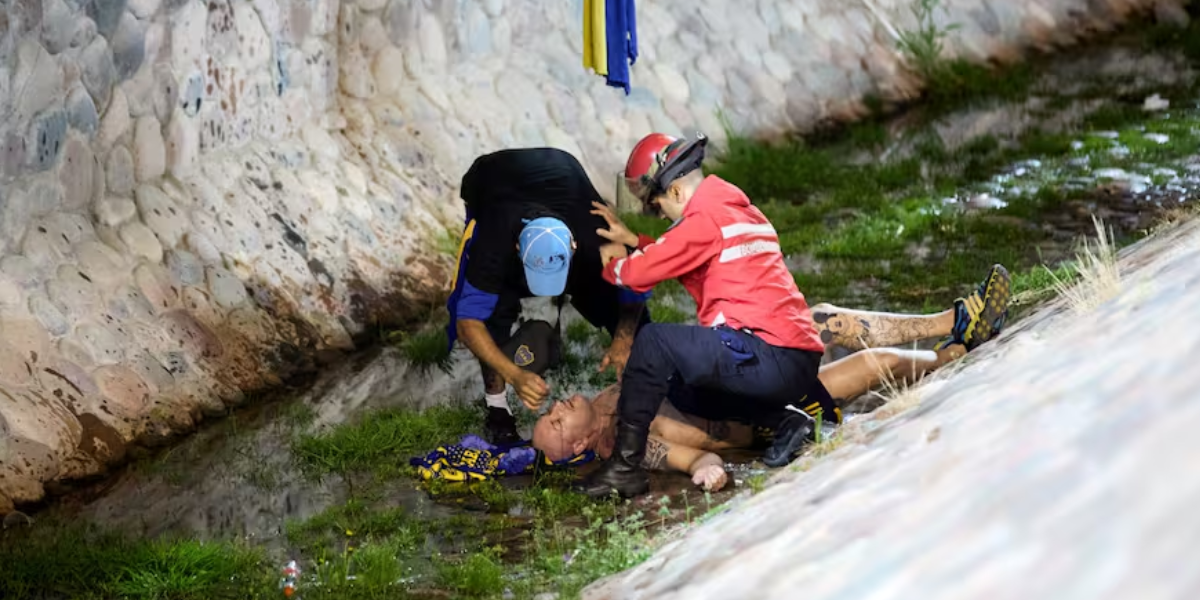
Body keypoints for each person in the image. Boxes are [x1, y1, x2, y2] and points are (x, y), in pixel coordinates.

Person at [532, 272, 1012, 492]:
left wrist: (623, 338)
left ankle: (954, 326)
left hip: (750, 380)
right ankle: (953, 349)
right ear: (582, 445)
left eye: (548, 412)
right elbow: (692, 457)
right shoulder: (631, 444)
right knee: (867, 363)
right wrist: (705, 470)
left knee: (822, 322)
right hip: (767, 416)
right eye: (556, 424)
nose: (555, 409)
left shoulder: (604, 397)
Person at [446, 148, 653, 445]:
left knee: (623, 312)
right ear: (518, 250)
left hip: (562, 173)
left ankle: (651, 385)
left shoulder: (598, 233)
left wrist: (623, 338)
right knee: (492, 313)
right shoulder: (494, 241)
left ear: (573, 246)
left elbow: (639, 280)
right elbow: (468, 323)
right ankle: (497, 409)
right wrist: (514, 373)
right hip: (490, 180)